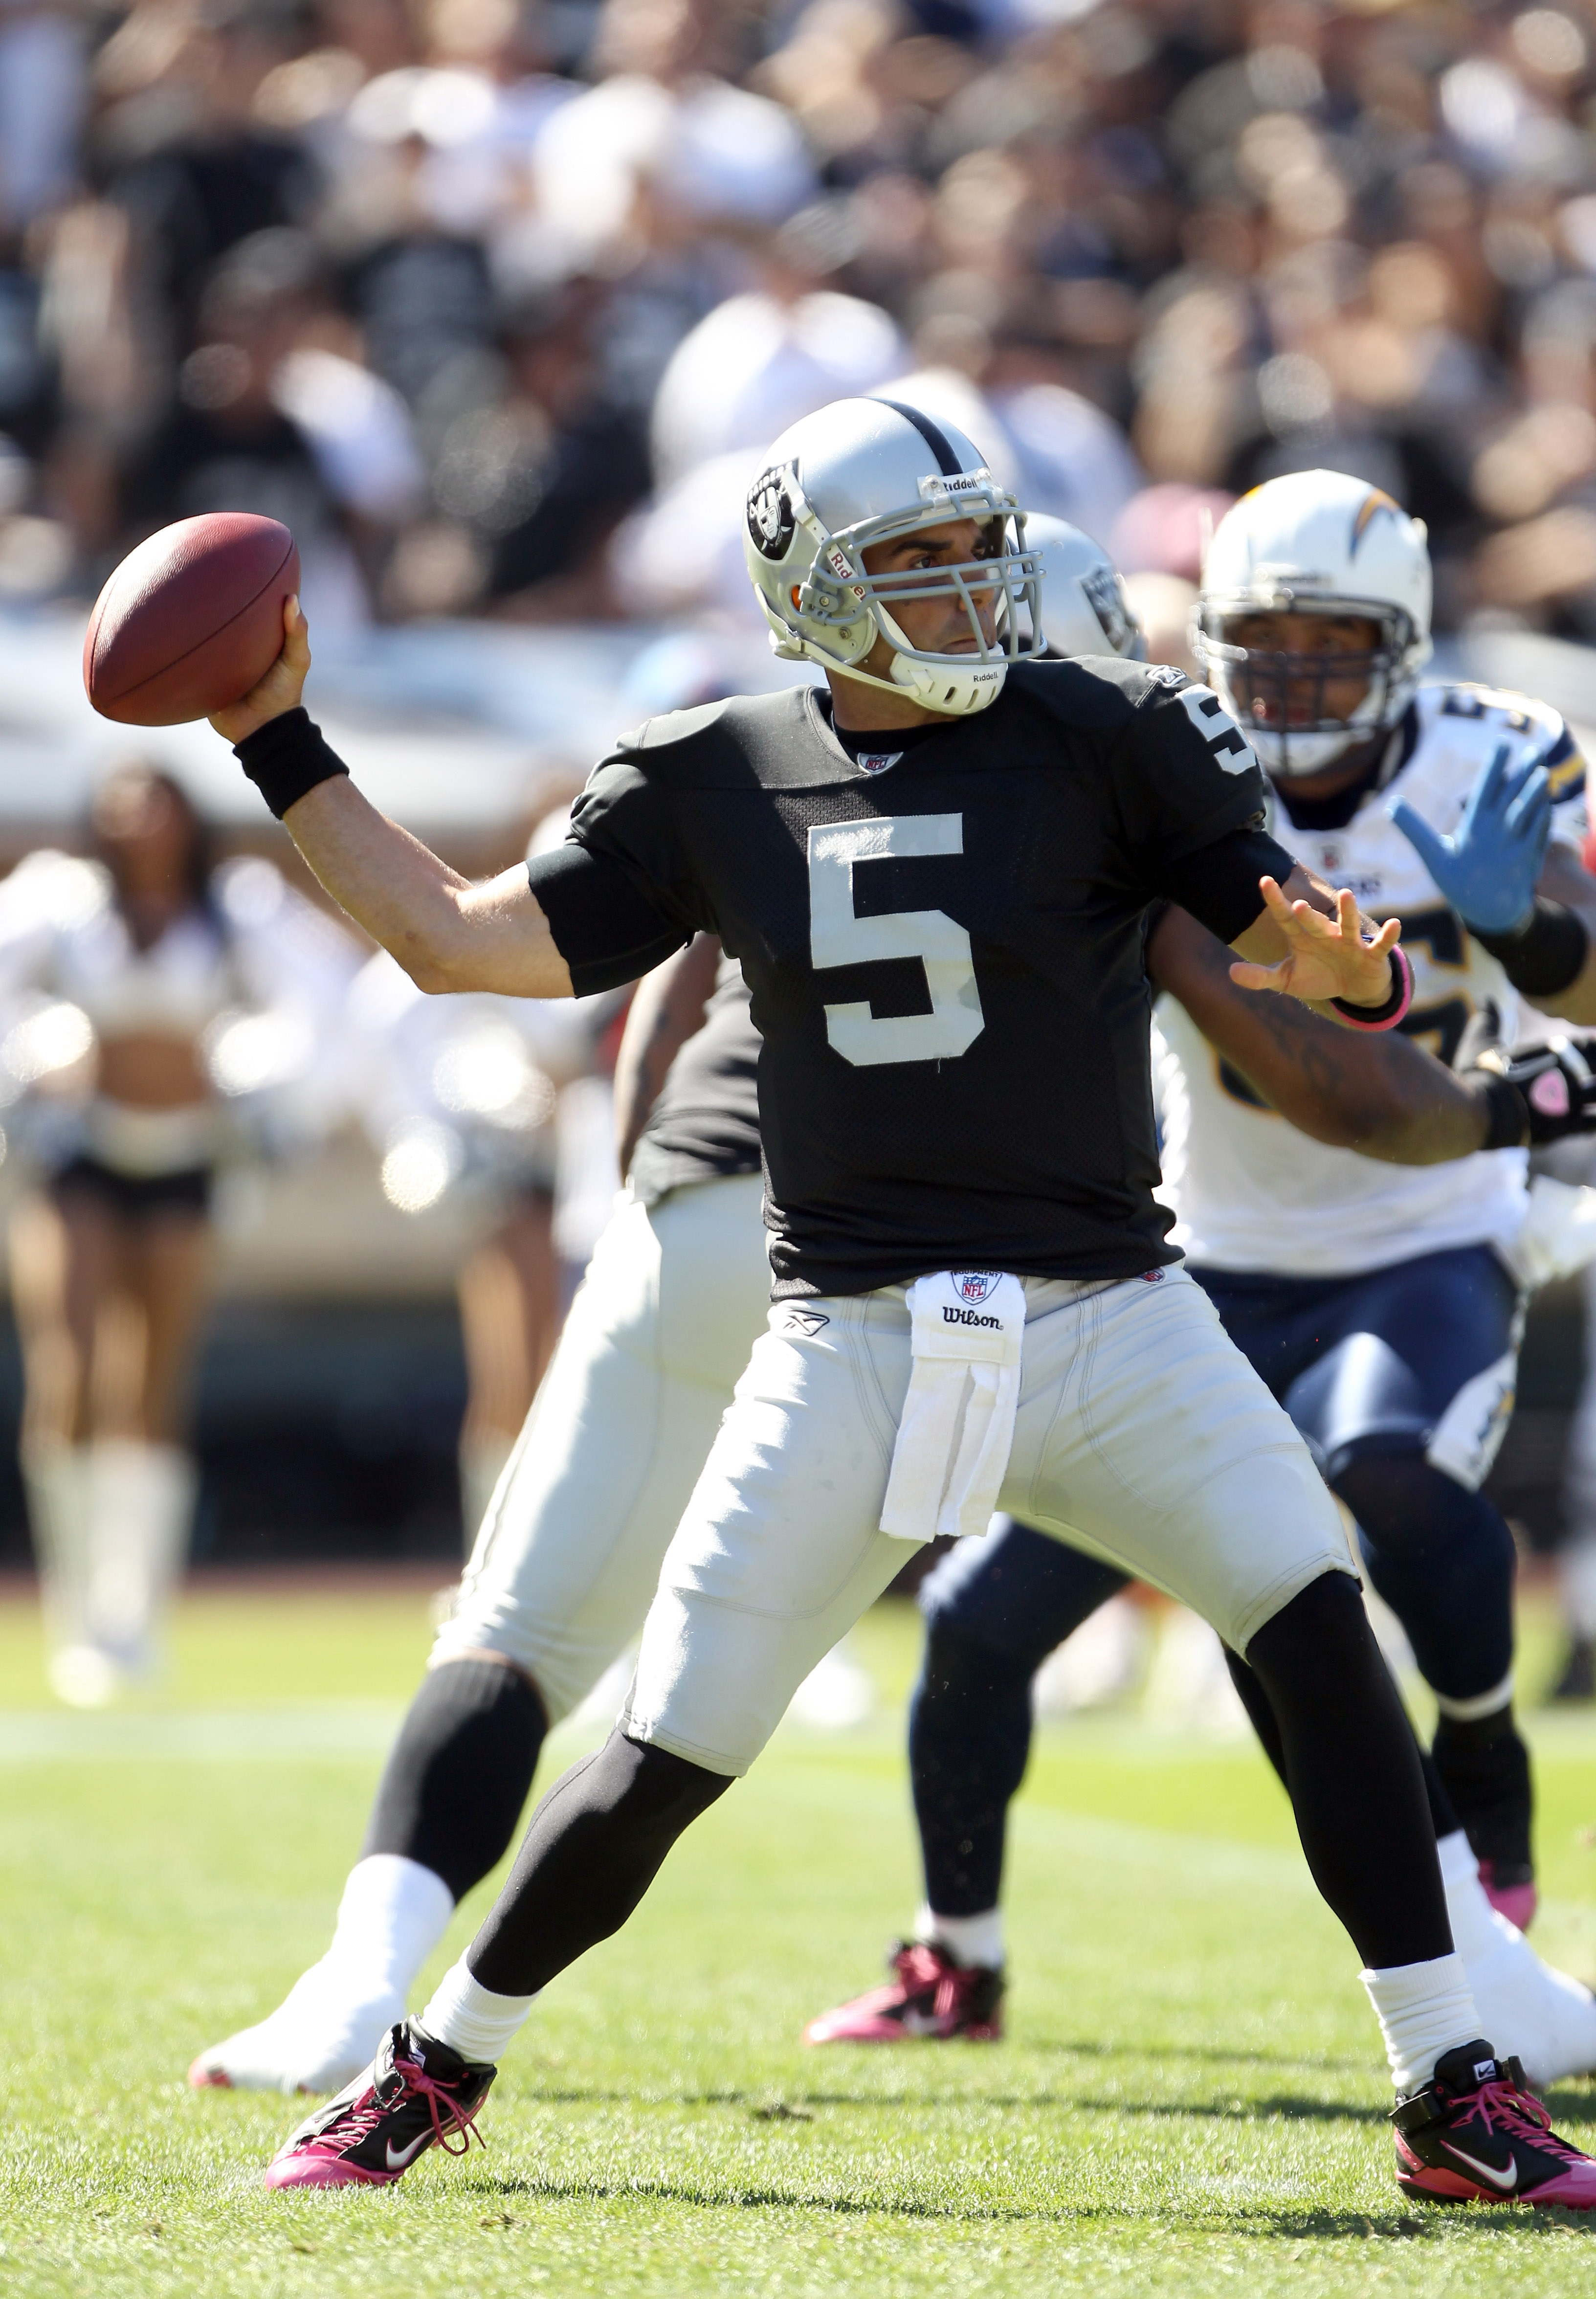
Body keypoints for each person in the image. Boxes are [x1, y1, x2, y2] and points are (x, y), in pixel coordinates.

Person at [206, 398, 1596, 2207]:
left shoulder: (1104, 729)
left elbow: (1273, 937)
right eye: (917, 567)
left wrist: (1332, 961)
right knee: (660, 1753)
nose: (965, 594)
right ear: (812, 588)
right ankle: (428, 2065)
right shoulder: (706, 765)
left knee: (1313, 1619)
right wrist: (271, 731)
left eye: (971, 552)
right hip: (851, 1334)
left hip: (1114, 1309)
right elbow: (462, 941)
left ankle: (1449, 2084)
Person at [806, 469, 1596, 2057]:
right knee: (971, 1620)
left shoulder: (1501, 752)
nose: (1293, 677)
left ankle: (1484, 1769)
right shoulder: (1165, 754)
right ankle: (954, 1953)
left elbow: (1586, 986)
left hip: (1417, 1243)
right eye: (1265, 645)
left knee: (1377, 1466)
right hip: (1198, 1266)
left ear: (1404, 642)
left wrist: (1537, 939)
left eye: (1330, 645)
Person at [2, 762, 360, 1705]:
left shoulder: (235, 907)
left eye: (154, 799)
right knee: (68, 1367)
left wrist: (250, 1071)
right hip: (77, 1158)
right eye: (117, 801)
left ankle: (133, 1615)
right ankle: (75, 1612)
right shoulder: (59, 900)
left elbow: (333, 999)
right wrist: (41, 1049)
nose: (136, 818)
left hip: (188, 1164)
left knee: (152, 1383)